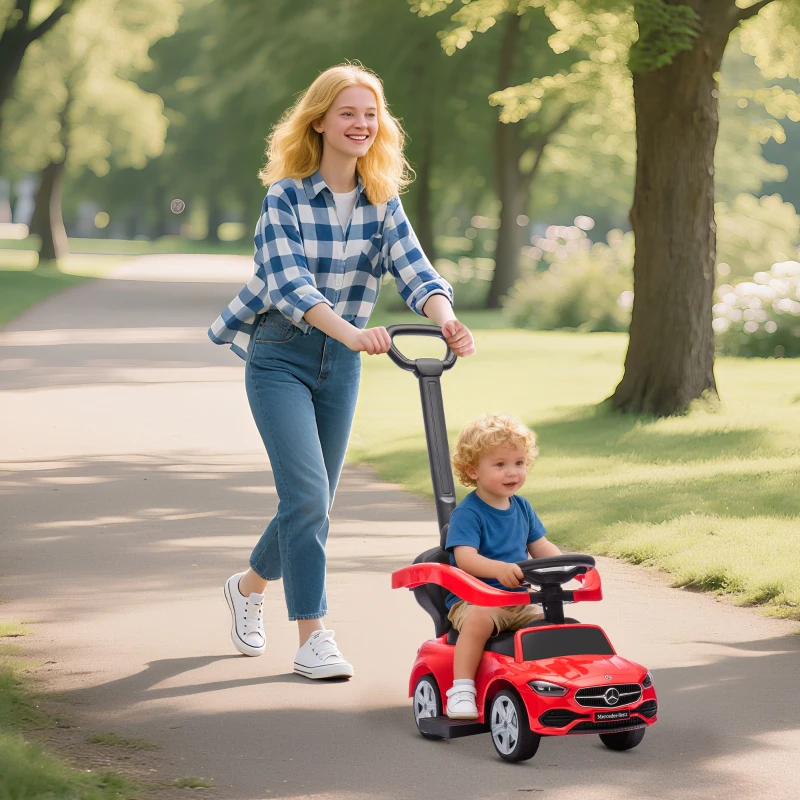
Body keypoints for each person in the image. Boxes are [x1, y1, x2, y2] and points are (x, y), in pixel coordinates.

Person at [208, 63, 476, 680]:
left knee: (314, 502)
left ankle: (248, 587)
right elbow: (290, 282)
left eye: (370, 114)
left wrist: (446, 318)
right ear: (321, 120)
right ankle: (313, 636)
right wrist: (354, 332)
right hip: (281, 355)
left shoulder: (382, 200)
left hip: (342, 366)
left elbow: (415, 270)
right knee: (306, 497)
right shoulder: (286, 197)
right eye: (348, 113)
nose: (360, 124)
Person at [444, 414, 561, 718]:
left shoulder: (522, 507)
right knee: (480, 621)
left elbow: (542, 548)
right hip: (475, 600)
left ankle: (543, 687)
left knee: (551, 626)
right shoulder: (468, 513)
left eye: (519, 463)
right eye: (500, 465)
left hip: (518, 599)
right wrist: (497, 570)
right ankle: (462, 689)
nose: (512, 472)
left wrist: (561, 566)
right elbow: (464, 558)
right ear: (473, 470)